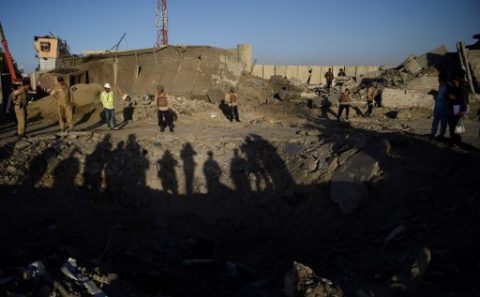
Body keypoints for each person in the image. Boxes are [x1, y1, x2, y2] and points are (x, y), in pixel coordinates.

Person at [446, 71, 468, 146]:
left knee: (454, 124)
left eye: (454, 80)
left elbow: (463, 99)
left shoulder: (462, 87)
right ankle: (457, 141)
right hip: (456, 106)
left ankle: (455, 141)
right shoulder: (459, 86)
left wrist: (463, 110)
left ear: (456, 78)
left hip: (458, 107)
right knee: (456, 124)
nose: (453, 81)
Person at [430, 73, 448, 140]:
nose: (438, 80)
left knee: (441, 121)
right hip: (439, 107)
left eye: (439, 78)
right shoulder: (441, 86)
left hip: (442, 107)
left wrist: (436, 95)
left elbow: (440, 97)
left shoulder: (445, 86)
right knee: (438, 121)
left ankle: (439, 134)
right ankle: (435, 133)